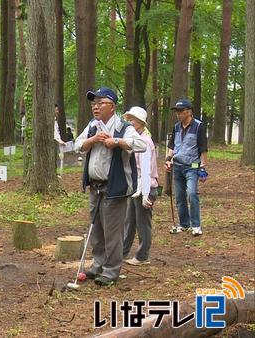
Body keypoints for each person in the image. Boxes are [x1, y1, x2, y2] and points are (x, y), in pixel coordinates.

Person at [74, 87, 146, 286]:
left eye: (100, 103)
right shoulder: (92, 125)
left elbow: (142, 145)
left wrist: (117, 141)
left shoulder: (123, 127)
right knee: (96, 228)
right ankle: (98, 263)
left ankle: (111, 270)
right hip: (94, 187)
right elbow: (77, 144)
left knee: (112, 230)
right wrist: (92, 140)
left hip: (115, 187)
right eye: (93, 104)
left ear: (112, 107)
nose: (95, 107)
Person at [122, 107, 159, 266]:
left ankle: (142, 256)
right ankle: (122, 252)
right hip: (136, 188)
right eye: (128, 119)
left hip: (146, 187)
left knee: (143, 223)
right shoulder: (137, 139)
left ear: (140, 122)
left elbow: (145, 170)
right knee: (130, 221)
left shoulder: (144, 142)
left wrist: (145, 194)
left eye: (132, 120)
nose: (129, 122)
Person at [165, 99, 208, 236]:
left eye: (181, 111)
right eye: (177, 111)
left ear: (189, 112)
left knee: (192, 193)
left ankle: (196, 225)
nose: (178, 114)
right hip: (177, 166)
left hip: (192, 166)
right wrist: (168, 159)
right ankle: (184, 224)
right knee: (179, 196)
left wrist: (203, 168)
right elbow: (172, 146)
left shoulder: (199, 126)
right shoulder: (176, 127)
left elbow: (203, 149)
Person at [54, 104, 67, 177]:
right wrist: (60, 141)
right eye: (56, 110)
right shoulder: (51, 121)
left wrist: (60, 141)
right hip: (53, 143)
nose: (57, 111)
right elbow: (54, 133)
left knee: (56, 157)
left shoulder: (55, 121)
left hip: (56, 142)